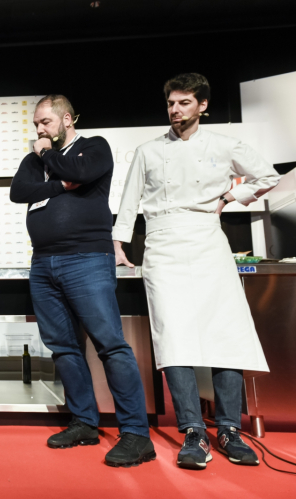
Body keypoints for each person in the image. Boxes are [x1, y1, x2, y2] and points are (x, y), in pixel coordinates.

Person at [113, 73, 280, 470]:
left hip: (207, 238)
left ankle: (228, 429)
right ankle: (193, 431)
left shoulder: (223, 145)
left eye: (184, 103)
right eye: (171, 103)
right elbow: (129, 201)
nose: (175, 110)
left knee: (226, 332)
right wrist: (118, 244)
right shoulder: (148, 150)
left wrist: (231, 195)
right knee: (174, 337)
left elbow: (268, 176)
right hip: (163, 243)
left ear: (202, 105)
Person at [10, 95, 154, 467]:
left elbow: (82, 173)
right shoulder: (36, 158)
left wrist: (48, 159)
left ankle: (136, 434)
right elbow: (19, 192)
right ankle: (85, 422)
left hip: (87, 259)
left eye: (45, 123)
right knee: (62, 347)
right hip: (42, 264)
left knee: (110, 344)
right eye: (36, 125)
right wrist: (58, 184)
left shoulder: (94, 147)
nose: (39, 131)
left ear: (67, 119)